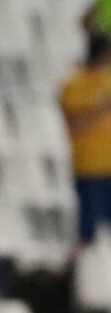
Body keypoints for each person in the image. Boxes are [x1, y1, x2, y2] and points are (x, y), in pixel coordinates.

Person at [60, 32, 111, 245]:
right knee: (87, 233)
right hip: (88, 168)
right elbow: (74, 123)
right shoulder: (74, 84)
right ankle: (86, 275)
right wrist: (103, 107)